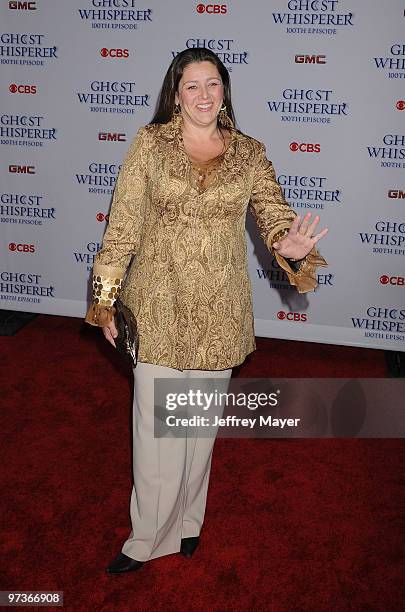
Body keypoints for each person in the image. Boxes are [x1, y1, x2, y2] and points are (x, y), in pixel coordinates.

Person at [84, 47, 328, 574]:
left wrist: (288, 243)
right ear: (176, 93)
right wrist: (105, 300)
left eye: (211, 84)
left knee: (197, 425)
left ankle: (189, 522)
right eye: (191, 85)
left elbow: (272, 211)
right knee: (155, 432)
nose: (202, 95)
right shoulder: (150, 146)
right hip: (157, 307)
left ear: (224, 90)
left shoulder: (249, 153)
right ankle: (148, 537)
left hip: (220, 308)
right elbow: (121, 227)